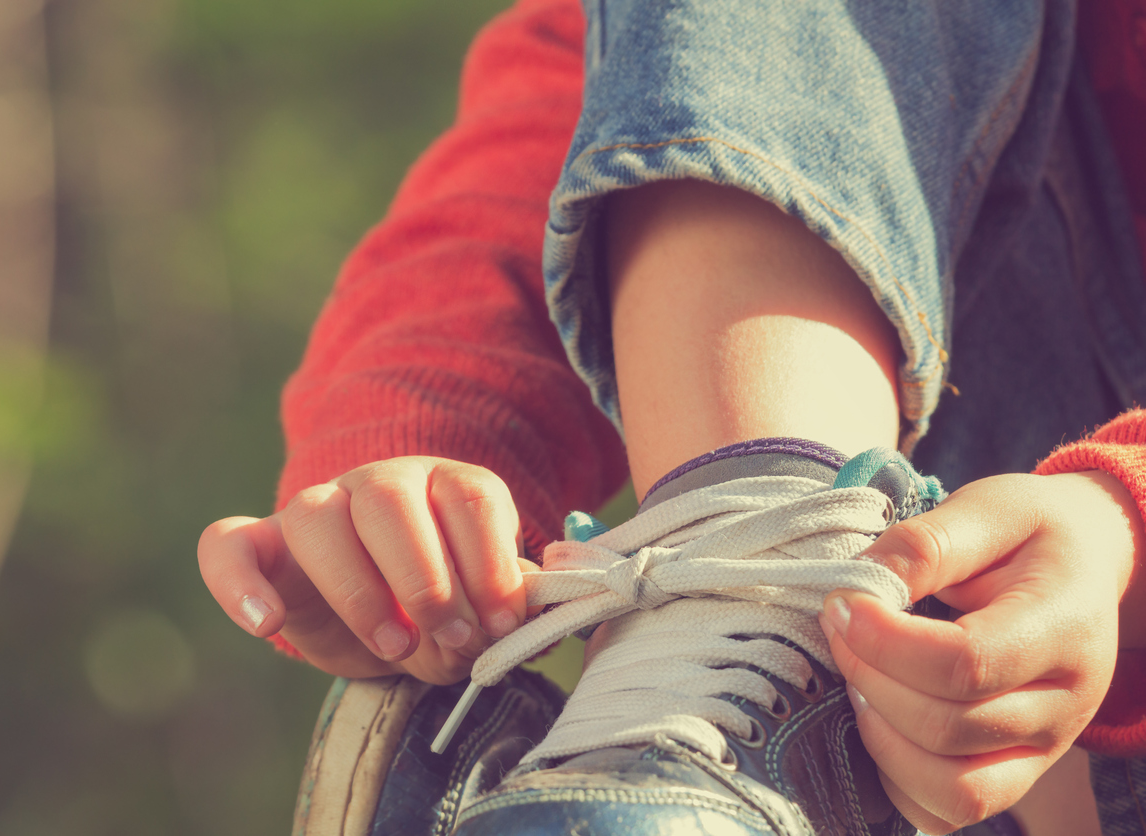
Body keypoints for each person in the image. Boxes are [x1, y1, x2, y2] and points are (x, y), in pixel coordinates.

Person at [197, 0, 1146, 832]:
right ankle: (736, 684)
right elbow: (637, 108)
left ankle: (743, 709)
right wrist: (421, 492)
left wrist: (1121, 529)